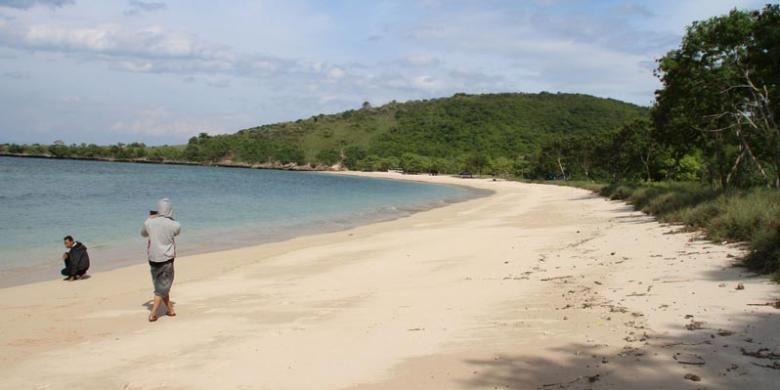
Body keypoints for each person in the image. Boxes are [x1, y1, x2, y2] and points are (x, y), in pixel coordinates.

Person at [141, 198, 182, 322]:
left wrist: (150, 218)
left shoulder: (148, 222)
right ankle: (153, 314)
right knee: (162, 287)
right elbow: (176, 232)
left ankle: (170, 310)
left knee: (161, 286)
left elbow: (143, 234)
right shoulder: (175, 224)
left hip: (152, 258)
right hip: (166, 259)